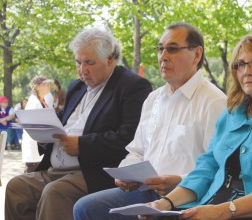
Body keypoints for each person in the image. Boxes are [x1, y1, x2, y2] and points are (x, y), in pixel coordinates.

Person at [140, 32, 252, 220]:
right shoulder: (232, 113)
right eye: (241, 64)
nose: (247, 71)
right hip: (211, 207)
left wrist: (222, 212)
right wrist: (165, 203)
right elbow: (206, 168)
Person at [73, 22, 227, 220]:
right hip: (144, 191)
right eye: (160, 49)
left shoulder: (214, 102)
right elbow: (137, 150)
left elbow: (219, 167)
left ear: (196, 55)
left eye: (172, 49)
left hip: (188, 197)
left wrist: (179, 181)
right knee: (86, 208)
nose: (163, 57)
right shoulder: (153, 99)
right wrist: (125, 174)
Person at [4, 26, 152, 220]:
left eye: (89, 62)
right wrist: (41, 132)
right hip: (56, 168)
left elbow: (129, 137)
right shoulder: (77, 87)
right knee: (16, 188)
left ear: (110, 59)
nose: (82, 70)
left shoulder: (131, 86)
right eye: (78, 62)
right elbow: (61, 122)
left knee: (55, 193)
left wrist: (81, 145)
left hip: (94, 171)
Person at [21, 76, 54, 173]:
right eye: (44, 84)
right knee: (31, 175)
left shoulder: (41, 101)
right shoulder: (34, 102)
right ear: (36, 86)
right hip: (34, 146)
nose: (47, 87)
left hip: (39, 145)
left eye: (48, 84)